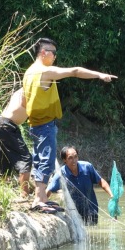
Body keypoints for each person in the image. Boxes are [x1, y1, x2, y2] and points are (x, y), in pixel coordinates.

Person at [23, 38, 117, 211]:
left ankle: (42, 197)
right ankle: (39, 200)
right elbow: (74, 71)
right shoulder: (44, 71)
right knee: (46, 161)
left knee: (39, 159)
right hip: (44, 125)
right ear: (43, 52)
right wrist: (99, 75)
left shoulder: (28, 72)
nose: (55, 57)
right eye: (53, 53)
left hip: (34, 124)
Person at [47, 145, 113, 225]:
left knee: (92, 232)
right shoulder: (60, 175)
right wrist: (44, 202)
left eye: (75, 157)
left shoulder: (87, 167)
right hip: (74, 214)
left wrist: (111, 195)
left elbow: (101, 181)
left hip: (92, 211)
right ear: (64, 160)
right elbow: (49, 190)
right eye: (70, 158)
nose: (74, 160)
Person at [0, 88, 32, 198]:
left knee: (4, 159)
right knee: (25, 158)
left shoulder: (20, 91)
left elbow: (8, 109)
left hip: (0, 122)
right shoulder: (30, 90)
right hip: (8, 125)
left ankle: (3, 191)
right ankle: (24, 193)